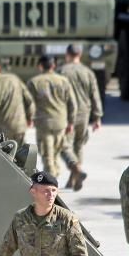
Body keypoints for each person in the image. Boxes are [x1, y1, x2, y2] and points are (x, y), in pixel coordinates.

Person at [27, 56, 86, 186]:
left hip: (44, 124)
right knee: (62, 148)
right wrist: (71, 122)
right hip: (61, 123)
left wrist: (29, 118)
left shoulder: (34, 82)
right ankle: (76, 167)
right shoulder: (64, 81)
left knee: (48, 155)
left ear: (40, 66)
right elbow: (73, 104)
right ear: (53, 66)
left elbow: (29, 104)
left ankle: (51, 186)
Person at [58, 44, 103, 190]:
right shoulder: (88, 72)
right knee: (79, 145)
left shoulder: (62, 71)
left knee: (64, 145)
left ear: (67, 54)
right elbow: (95, 95)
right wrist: (97, 117)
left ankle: (76, 171)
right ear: (80, 54)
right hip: (84, 113)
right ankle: (74, 178)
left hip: (67, 113)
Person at [0, 58, 35, 146]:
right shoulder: (14, 79)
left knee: (3, 158)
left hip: (1, 131)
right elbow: (29, 100)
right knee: (20, 156)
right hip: (19, 127)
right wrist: (30, 118)